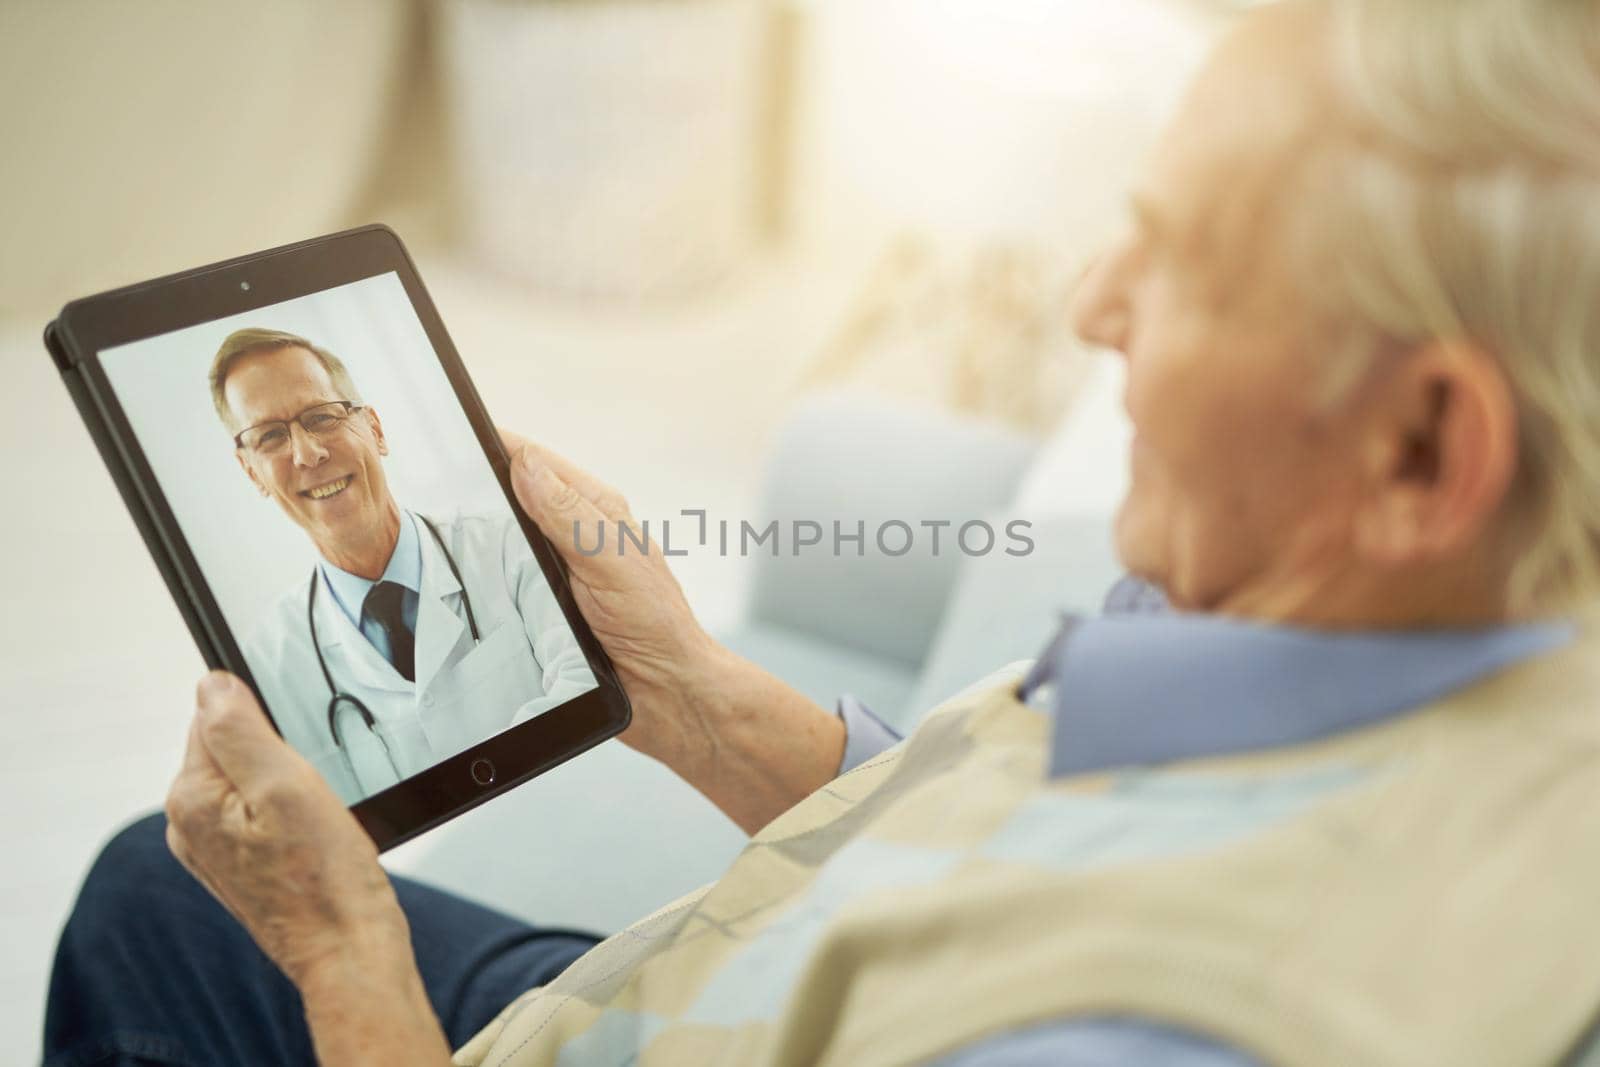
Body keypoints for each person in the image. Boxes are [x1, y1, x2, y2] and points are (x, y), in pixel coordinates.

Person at [45, 0, 1600, 1063]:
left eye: (1188, 262)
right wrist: (692, 694)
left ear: (1423, 446)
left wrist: (345, 955)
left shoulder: (1146, 1029)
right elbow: (1004, 844)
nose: (1092, 306)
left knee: (149, 897)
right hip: (718, 985)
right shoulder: (1350, 631)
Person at [209, 328, 595, 802]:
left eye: (322, 417)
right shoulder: (267, 666)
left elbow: (588, 699)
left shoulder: (508, 545)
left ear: (375, 429)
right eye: (270, 436)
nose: (308, 453)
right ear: (252, 472)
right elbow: (322, 826)